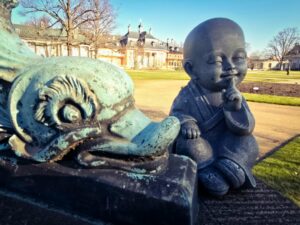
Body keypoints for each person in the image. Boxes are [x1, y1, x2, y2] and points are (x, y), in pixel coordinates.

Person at [170, 18, 259, 196]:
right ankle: (207, 172)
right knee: (188, 144)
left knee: (249, 142)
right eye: (218, 61)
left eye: (239, 58)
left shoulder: (235, 95)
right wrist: (187, 123)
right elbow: (175, 115)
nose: (231, 67)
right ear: (191, 69)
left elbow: (245, 129)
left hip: (227, 146)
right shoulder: (188, 95)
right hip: (202, 145)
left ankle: (233, 166)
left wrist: (234, 109)